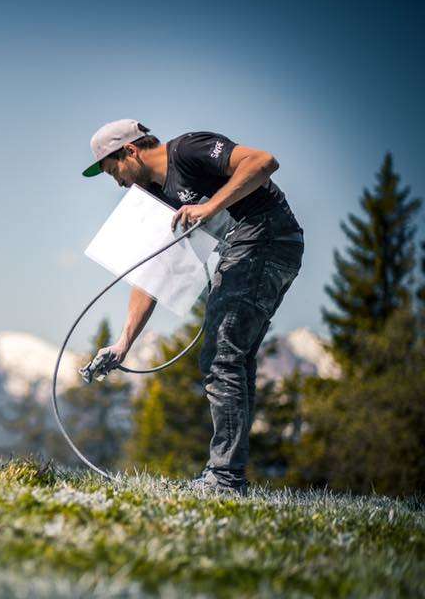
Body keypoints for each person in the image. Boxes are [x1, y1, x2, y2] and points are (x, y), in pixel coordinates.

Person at [80, 118, 304, 495]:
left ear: (130, 151)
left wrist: (210, 207)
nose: (116, 180)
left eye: (113, 168)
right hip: (252, 248)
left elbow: (264, 162)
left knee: (221, 355)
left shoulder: (188, 149)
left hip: (266, 237)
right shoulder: (158, 196)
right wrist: (123, 344)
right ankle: (228, 475)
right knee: (234, 356)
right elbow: (152, 270)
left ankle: (225, 479)